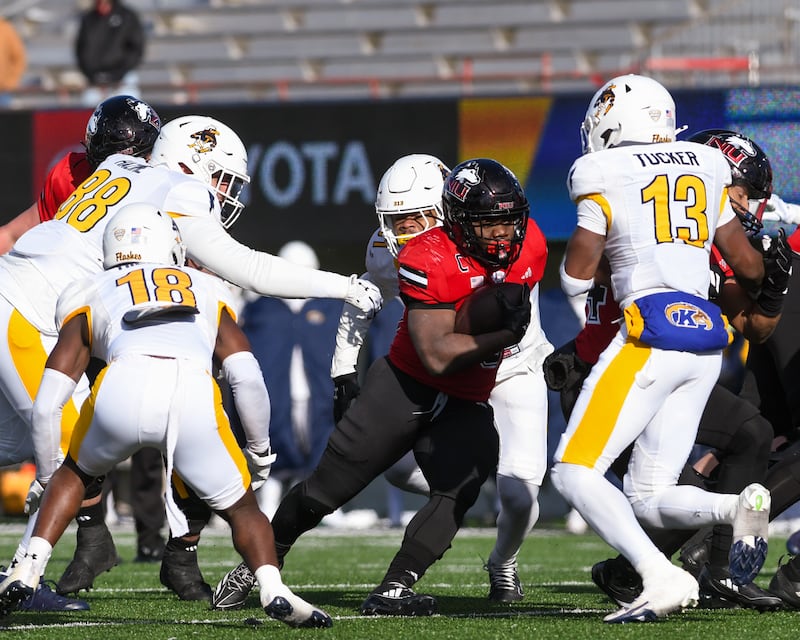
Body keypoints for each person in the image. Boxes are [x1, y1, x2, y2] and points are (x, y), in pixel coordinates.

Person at [0, 114, 382, 599]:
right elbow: (248, 267)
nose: (225, 194)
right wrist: (341, 286)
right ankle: (23, 579)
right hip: (25, 313)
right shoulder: (180, 190)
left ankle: (52, 561)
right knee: (64, 449)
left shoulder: (119, 166)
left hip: (19, 296)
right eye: (222, 179)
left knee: (12, 445)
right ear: (189, 161)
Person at [213, 157, 547, 616]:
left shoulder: (528, 245)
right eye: (488, 224)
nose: (501, 234)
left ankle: (396, 587)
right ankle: (260, 564)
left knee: (466, 482)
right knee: (325, 489)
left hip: (493, 377)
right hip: (415, 377)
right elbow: (431, 349)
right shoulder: (421, 254)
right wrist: (344, 369)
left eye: (505, 223)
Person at [0, 203, 332, 628]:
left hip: (122, 384)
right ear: (171, 244)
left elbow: (49, 400)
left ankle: (28, 567)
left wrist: (47, 476)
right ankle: (273, 587)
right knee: (242, 506)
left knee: (74, 474)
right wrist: (260, 449)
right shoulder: (207, 287)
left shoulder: (89, 288)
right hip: (191, 390)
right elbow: (246, 375)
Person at [549, 74, 771, 623]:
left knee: (572, 470)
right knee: (648, 494)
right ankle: (735, 506)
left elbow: (577, 274)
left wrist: (621, 264)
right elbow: (748, 266)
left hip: (648, 337)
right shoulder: (705, 162)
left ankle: (658, 574)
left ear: (613, 123)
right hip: (704, 345)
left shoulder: (601, 170)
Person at [0, 94, 160, 613]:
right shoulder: (85, 179)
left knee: (22, 443)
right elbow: (29, 236)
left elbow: (19, 235)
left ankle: (91, 539)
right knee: (68, 442)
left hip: (70, 320)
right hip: (43, 319)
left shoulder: (100, 178)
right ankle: (25, 579)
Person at [233, 240, 343, 518]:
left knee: (319, 439)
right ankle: (268, 500)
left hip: (314, 390)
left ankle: (316, 502)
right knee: (272, 436)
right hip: (274, 389)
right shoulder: (261, 307)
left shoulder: (327, 306)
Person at [75, 0, 145, 106]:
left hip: (123, 79)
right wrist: (94, 76)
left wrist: (118, 74)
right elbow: (81, 50)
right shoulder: (89, 18)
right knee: (89, 106)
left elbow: (135, 49)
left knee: (130, 107)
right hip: (95, 81)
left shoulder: (127, 16)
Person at [0, 17, 26, 108]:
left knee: (3, 121)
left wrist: (11, 82)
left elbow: (19, 58)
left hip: (2, 93)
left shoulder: (5, 29)